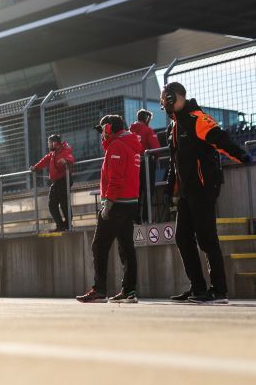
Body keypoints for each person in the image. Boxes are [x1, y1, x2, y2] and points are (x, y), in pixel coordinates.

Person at [162, 82, 251, 303]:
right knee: (182, 238)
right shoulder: (173, 127)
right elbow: (174, 162)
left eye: (166, 97)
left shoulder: (198, 119)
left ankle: (219, 291)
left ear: (176, 96)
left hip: (204, 187)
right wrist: (169, 189)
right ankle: (198, 289)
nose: (163, 102)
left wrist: (241, 155)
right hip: (187, 191)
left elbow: (221, 139)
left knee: (206, 238)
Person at [76, 115, 143, 303]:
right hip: (130, 203)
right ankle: (129, 291)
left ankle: (99, 290)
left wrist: (108, 204)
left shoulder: (117, 146)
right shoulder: (130, 144)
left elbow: (116, 179)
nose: (101, 135)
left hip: (117, 204)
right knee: (126, 247)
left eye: (102, 130)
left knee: (99, 246)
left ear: (109, 128)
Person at [32, 135, 75, 231]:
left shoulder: (65, 150)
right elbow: (45, 160)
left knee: (64, 204)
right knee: (52, 204)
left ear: (54, 143)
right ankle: (61, 225)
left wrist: (66, 161)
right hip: (56, 182)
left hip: (64, 180)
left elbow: (70, 158)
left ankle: (67, 225)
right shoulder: (53, 153)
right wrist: (36, 167)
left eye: (49, 143)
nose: (48, 145)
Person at [130, 109, 160, 222]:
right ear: (147, 119)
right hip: (146, 163)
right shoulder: (148, 130)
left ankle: (135, 218)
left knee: (135, 191)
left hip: (133, 165)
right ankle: (147, 218)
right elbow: (156, 149)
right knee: (148, 190)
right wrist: (157, 157)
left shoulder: (129, 132)